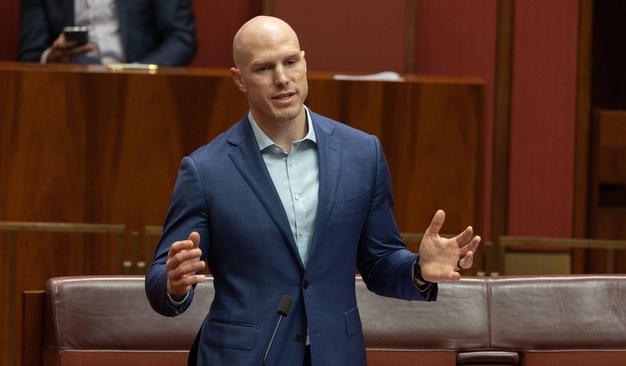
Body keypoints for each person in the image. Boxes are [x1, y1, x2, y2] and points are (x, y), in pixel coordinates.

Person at [145, 16, 480, 366]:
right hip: (242, 357)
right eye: (263, 68)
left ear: (304, 62)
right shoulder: (205, 170)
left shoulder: (361, 154)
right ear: (239, 80)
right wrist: (174, 285)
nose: (282, 78)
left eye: (290, 62)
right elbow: (158, 282)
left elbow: (379, 263)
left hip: (335, 355)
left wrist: (419, 270)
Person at [18, 0, 197, 66]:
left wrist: (138, 72)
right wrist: (51, 58)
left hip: (145, 92)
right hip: (68, 91)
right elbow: (31, 56)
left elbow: (181, 39)